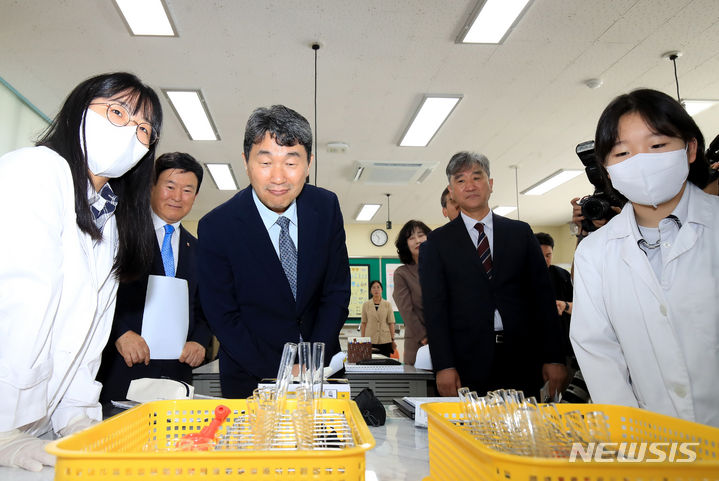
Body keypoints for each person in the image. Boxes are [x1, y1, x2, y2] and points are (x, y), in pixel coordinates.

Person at [0, 72, 162, 471]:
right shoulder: (36, 170)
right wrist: (4, 429)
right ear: (79, 110)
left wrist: (76, 416)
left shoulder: (111, 220)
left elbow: (90, 334)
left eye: (144, 129)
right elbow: (19, 304)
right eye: (117, 112)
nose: (130, 133)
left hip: (38, 428)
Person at [570, 88, 719, 427]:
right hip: (651, 446)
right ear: (607, 170)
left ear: (691, 148)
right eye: (622, 152)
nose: (641, 162)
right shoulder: (595, 253)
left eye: (657, 146)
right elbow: (598, 352)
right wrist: (635, 439)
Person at [198, 105, 351, 399]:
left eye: (291, 163)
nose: (278, 178)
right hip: (251, 377)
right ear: (246, 162)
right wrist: (280, 371)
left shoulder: (326, 207)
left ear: (309, 163)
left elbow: (336, 291)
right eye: (265, 162)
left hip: (321, 374)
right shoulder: (217, 226)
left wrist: (309, 362)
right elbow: (223, 316)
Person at [420, 151, 567, 398]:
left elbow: (542, 298)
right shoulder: (436, 244)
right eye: (460, 180)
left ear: (490, 184)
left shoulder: (520, 234)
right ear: (451, 191)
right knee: (470, 433)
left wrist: (554, 357)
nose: (470, 186)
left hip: (521, 358)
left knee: (524, 433)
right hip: (466, 361)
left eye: (477, 177)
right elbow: (436, 309)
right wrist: (444, 365)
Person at [97, 152, 211, 402]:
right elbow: (98, 290)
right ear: (152, 186)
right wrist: (121, 332)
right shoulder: (122, 233)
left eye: (187, 190)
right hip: (123, 366)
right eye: (170, 186)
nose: (177, 197)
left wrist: (200, 342)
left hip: (176, 374)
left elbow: (205, 308)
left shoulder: (200, 250)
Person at [393, 220, 432, 366]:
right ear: (406, 245)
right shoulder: (402, 274)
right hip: (419, 343)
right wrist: (425, 337)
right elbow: (407, 311)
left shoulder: (441, 267)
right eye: (411, 238)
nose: (417, 241)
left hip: (447, 341)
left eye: (421, 235)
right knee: (420, 388)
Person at [360, 280, 396, 357]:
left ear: (381, 290)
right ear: (370, 291)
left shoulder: (387, 304)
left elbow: (391, 323)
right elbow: (363, 323)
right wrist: (363, 340)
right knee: (370, 364)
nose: (376, 289)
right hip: (370, 339)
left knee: (385, 364)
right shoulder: (366, 305)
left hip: (385, 339)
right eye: (373, 288)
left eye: (378, 287)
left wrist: (392, 339)